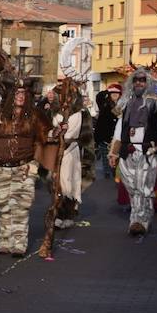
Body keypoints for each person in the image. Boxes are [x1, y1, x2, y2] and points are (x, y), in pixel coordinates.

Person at [0, 78, 49, 256]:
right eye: (17, 93)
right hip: (0, 167)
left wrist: (58, 132)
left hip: (25, 167)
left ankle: (19, 244)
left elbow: (47, 137)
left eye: (24, 93)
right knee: (4, 205)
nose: (21, 96)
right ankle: (4, 240)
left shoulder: (35, 116)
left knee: (21, 206)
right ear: (11, 95)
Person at [108, 69, 157, 236]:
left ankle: (141, 221)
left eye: (142, 80)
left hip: (148, 150)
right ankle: (136, 217)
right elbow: (119, 129)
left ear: (148, 83)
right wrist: (113, 153)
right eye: (136, 80)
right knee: (131, 187)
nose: (139, 83)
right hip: (128, 149)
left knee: (144, 187)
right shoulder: (125, 103)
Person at [47, 81, 87, 230]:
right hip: (55, 152)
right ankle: (57, 214)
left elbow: (71, 134)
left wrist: (60, 134)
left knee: (68, 184)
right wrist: (55, 133)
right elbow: (50, 131)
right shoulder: (55, 112)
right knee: (56, 184)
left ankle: (67, 215)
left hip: (70, 152)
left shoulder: (77, 114)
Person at [94, 82, 122, 179]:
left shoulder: (122, 105)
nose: (114, 95)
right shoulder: (104, 103)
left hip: (117, 136)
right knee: (105, 155)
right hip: (104, 134)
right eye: (112, 93)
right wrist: (109, 89)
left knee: (116, 154)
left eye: (117, 93)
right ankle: (106, 171)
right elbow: (99, 96)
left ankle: (114, 172)